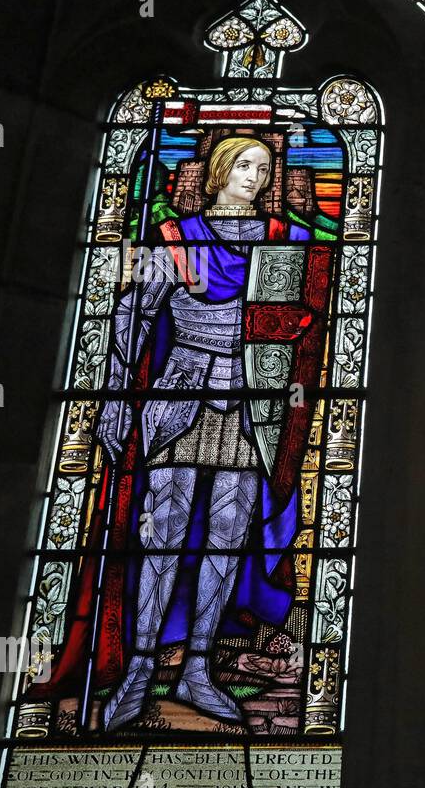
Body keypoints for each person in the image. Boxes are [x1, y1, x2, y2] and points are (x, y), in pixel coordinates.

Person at [94, 136, 311, 730]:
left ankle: (197, 668)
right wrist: (114, 400)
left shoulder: (282, 239)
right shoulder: (176, 238)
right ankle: (139, 670)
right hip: (182, 392)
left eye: (264, 169)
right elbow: (131, 317)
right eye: (244, 166)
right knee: (162, 533)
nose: (256, 177)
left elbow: (294, 322)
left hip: (248, 404)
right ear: (217, 173)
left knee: (226, 537)